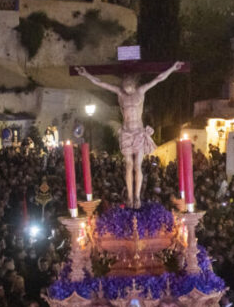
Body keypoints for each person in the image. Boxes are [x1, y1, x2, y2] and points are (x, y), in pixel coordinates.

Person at [75, 62, 184, 208]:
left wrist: (172, 68)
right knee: (128, 165)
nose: (127, 89)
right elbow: (101, 83)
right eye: (125, 86)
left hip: (138, 132)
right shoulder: (120, 93)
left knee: (137, 166)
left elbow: (158, 79)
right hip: (126, 133)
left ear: (133, 84)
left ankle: (137, 196)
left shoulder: (141, 91)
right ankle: (130, 196)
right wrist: (86, 74)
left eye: (129, 86)